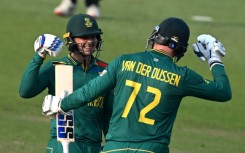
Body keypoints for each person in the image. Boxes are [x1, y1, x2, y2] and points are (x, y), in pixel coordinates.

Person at [42, 17, 232, 153]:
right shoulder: (182, 76)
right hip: (152, 149)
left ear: (157, 37)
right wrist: (214, 59)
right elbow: (223, 92)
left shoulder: (123, 61)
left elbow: (89, 92)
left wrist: (60, 104)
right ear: (180, 48)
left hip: (114, 148)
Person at [19, 13, 113, 153]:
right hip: (61, 144)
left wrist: (112, 145)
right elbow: (26, 91)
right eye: (84, 37)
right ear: (71, 39)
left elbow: (108, 113)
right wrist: (40, 55)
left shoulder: (106, 70)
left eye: (93, 36)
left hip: (94, 147)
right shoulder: (56, 66)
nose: (91, 41)